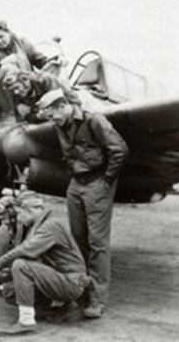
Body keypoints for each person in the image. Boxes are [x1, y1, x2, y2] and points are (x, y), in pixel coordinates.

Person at [37, 88, 129, 318]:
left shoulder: (93, 120)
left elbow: (119, 149)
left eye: (53, 115)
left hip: (97, 181)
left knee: (97, 242)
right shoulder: (61, 124)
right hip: (76, 184)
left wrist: (107, 179)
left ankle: (97, 300)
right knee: (76, 240)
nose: (52, 121)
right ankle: (78, 292)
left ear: (62, 106)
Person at [0, 194, 90, 336]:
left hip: (71, 282)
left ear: (30, 210)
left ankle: (26, 321)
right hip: (66, 279)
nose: (18, 218)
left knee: (20, 265)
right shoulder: (44, 224)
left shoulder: (50, 225)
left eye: (20, 213)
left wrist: (0, 261)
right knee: (10, 291)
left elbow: (26, 249)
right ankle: (62, 306)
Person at [0, 20, 48, 114]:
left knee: (53, 70)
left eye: (1, 36)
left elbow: (41, 61)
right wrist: (0, 65)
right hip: (7, 99)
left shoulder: (24, 44)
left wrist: (55, 61)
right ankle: (13, 111)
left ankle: (49, 101)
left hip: (30, 87)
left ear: (8, 33)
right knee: (7, 68)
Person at [1, 66, 81, 123]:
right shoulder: (16, 96)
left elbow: (59, 107)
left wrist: (40, 112)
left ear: (25, 81)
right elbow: (26, 118)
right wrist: (38, 116)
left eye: (17, 87)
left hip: (70, 109)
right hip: (47, 118)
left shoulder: (45, 80)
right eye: (12, 90)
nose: (16, 92)